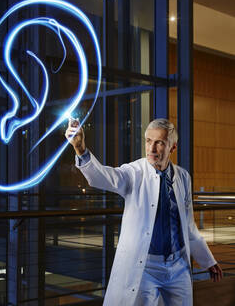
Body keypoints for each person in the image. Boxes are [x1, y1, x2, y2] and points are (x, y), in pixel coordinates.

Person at [65, 118, 222, 306]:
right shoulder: (134, 172)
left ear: (172, 147)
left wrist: (208, 260)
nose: (152, 148)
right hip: (146, 267)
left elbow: (188, 226)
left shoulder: (183, 177)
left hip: (178, 266)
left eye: (159, 143)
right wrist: (80, 149)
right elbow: (104, 177)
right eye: (148, 141)